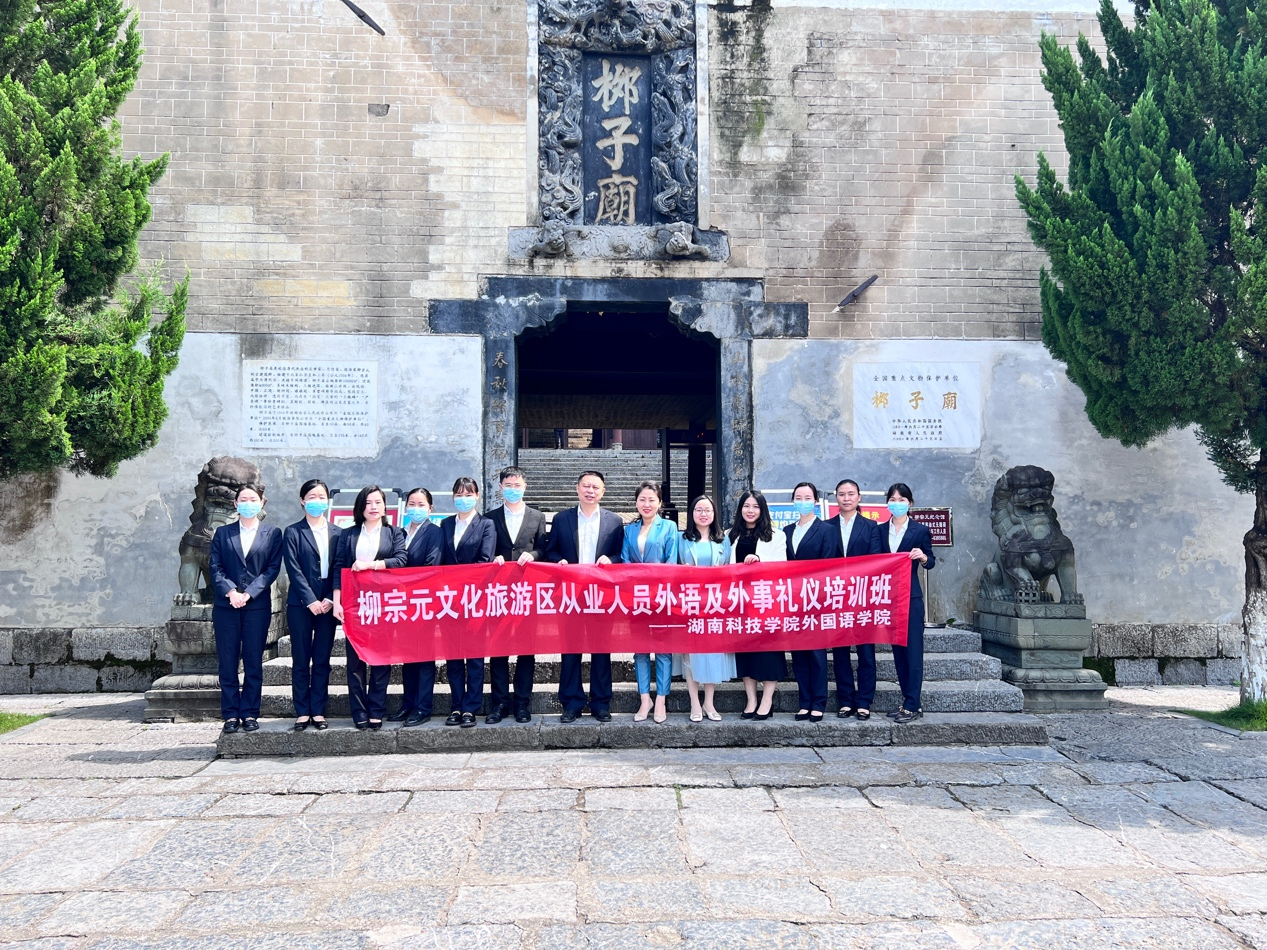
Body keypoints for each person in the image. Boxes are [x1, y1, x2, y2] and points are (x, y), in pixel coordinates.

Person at [544, 470, 624, 723]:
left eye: (595, 487)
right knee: (570, 650)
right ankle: (571, 703)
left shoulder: (614, 521)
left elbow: (621, 554)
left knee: (602, 650)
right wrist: (559, 561)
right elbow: (550, 551)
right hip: (571, 595)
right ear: (577, 488)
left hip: (602, 596)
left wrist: (611, 560)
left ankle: (601, 703)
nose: (590, 491)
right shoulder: (561, 519)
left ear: (603, 492)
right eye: (586, 486)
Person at [210, 483, 284, 734]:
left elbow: (272, 569)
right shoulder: (223, 533)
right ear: (235, 504)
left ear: (262, 503)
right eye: (243, 499)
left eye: (253, 499)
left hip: (256, 606)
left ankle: (251, 712)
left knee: (253, 661)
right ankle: (231, 714)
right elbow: (215, 567)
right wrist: (231, 592)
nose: (248, 504)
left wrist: (249, 593)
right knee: (227, 661)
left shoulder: (272, 534)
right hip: (226, 606)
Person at [332, 485, 407, 730]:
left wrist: (371, 565)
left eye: (378, 502)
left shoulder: (394, 532)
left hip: (384, 603)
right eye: (368, 503)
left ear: (385, 506)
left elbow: (400, 560)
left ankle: (376, 709)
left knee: (381, 658)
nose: (373, 507)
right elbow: (339, 567)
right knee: (355, 660)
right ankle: (359, 711)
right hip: (355, 604)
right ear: (360, 508)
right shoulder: (348, 534)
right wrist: (337, 601)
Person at [487, 466, 548, 724]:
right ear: (501, 487)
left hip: (526, 591)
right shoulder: (489, 518)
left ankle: (522, 703)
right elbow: (484, 551)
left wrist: (532, 555)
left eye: (517, 485)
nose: (513, 490)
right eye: (508, 485)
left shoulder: (537, 516)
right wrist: (493, 558)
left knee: (526, 649)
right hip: (498, 592)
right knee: (498, 649)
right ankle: (500, 703)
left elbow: (545, 549)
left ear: (525, 487)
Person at [282, 479, 341, 732]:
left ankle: (318, 710)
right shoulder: (292, 532)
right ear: (302, 501)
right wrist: (310, 600)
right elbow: (293, 569)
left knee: (322, 659)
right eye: (312, 497)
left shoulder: (338, 532)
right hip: (300, 605)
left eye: (321, 497)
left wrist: (329, 598)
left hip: (328, 605)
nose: (317, 501)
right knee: (300, 658)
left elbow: (339, 567)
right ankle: (302, 711)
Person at [440, 476, 497, 728]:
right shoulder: (445, 524)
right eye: (459, 494)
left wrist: (462, 586)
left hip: (475, 599)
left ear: (477, 496)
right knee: (453, 657)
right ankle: (456, 705)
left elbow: (484, 561)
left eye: (468, 494)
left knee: (474, 657)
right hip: (448, 601)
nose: (463, 499)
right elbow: (440, 560)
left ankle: (470, 708)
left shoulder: (486, 524)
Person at [826, 478, 884, 721]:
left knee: (866, 652)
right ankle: (846, 700)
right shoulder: (826, 527)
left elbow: (876, 560)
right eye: (842, 494)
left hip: (863, 597)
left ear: (859, 497)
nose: (846, 498)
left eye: (851, 494)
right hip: (837, 597)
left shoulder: (871, 527)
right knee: (840, 652)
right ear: (836, 498)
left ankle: (864, 701)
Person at [621, 480, 679, 723]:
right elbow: (625, 561)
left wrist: (656, 589)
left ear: (659, 503)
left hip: (661, 597)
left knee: (663, 651)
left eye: (651, 500)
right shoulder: (630, 529)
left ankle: (661, 699)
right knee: (640, 651)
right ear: (636, 502)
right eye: (642, 499)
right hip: (637, 598)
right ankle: (645, 698)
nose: (646, 504)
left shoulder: (669, 527)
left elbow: (671, 561)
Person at [729, 490, 786, 720]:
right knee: (745, 652)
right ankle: (751, 699)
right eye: (746, 506)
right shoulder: (731, 534)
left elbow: (782, 566)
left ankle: (767, 699)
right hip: (740, 603)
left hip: (766, 602)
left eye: (755, 506)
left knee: (769, 653)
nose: (750, 510)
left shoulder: (776, 535)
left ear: (762, 510)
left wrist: (760, 562)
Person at [677, 494, 734, 722]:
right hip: (690, 604)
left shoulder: (723, 540)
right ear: (692, 513)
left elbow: (729, 570)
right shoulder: (682, 539)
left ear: (714, 514)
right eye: (699, 510)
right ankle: (694, 702)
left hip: (714, 605)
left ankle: (709, 702)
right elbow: (673, 568)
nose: (703, 514)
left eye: (707, 510)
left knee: (712, 653)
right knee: (691, 654)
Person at [389, 487, 443, 727]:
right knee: (408, 656)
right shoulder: (399, 533)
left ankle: (423, 707)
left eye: (421, 505)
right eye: (412, 504)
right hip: (402, 604)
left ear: (430, 509)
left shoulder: (435, 533)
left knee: (424, 656)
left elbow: (432, 566)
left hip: (423, 602)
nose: (416, 508)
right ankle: (408, 704)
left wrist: (406, 584)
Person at [883, 482, 936, 724]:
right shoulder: (880, 530)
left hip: (911, 597)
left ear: (910, 503)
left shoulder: (920, 531)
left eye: (902, 500)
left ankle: (913, 704)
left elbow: (931, 561)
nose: (897, 503)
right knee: (898, 652)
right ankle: (908, 700)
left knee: (913, 651)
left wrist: (923, 557)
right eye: (893, 499)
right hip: (888, 597)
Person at [783, 481, 834, 722]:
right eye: (798, 497)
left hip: (815, 600)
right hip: (793, 601)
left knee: (816, 654)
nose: (802, 502)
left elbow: (828, 566)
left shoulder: (826, 530)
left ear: (815, 501)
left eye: (807, 498)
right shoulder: (787, 531)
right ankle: (804, 702)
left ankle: (819, 702)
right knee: (799, 655)